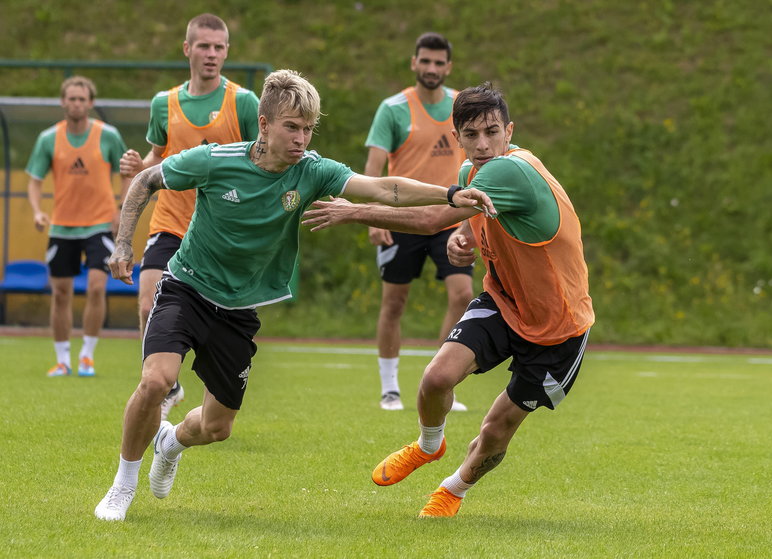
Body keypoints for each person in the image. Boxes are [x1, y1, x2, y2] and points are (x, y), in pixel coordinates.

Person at [93, 69, 495, 522]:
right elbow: (147, 180)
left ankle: (170, 443)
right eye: (292, 127)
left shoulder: (313, 170)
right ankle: (121, 487)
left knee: (215, 427)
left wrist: (452, 193)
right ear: (263, 124)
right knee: (156, 380)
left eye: (308, 128)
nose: (301, 138)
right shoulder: (213, 159)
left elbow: (385, 188)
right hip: (187, 289)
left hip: (239, 310)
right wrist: (125, 243)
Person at [303, 83, 595, 517]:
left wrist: (354, 211)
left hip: (559, 328)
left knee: (495, 431)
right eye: (471, 134)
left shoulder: (509, 170)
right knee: (436, 379)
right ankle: (429, 445)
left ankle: (453, 490)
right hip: (505, 301)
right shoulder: (468, 174)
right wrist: (463, 242)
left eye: (492, 132)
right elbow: (465, 222)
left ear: (508, 130)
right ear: (455, 136)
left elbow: (430, 219)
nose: (482, 145)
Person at [120, 13, 260, 419]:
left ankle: (213, 399)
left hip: (221, 235)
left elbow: (259, 160)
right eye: (204, 46)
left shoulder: (244, 102)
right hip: (170, 223)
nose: (211, 54)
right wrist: (137, 165)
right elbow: (155, 159)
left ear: (227, 51)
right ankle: (166, 385)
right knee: (147, 303)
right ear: (187, 49)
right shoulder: (164, 103)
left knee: (220, 326)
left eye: (219, 47)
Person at [364, 32, 471, 412]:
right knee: (395, 303)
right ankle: (389, 388)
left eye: (439, 63)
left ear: (448, 67)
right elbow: (374, 170)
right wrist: (375, 217)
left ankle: (438, 382)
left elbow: (479, 159)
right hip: (402, 219)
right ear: (414, 63)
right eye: (425, 61)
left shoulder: (462, 105)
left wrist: (469, 217)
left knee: (462, 295)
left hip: (450, 220)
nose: (431, 68)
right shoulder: (393, 108)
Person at [25, 76, 130, 378]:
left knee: (97, 287)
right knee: (60, 293)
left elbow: (127, 173)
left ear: (91, 103)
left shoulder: (108, 135)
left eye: (82, 99)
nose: (76, 104)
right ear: (63, 102)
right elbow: (34, 179)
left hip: (99, 224)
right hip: (62, 227)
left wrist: (122, 209)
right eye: (71, 98)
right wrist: (36, 211)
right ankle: (62, 359)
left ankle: (87, 355)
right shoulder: (48, 139)